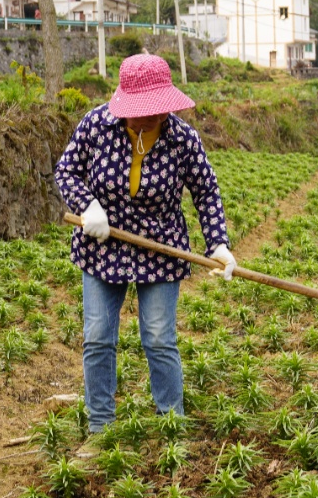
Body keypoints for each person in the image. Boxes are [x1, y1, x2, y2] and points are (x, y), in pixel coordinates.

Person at [54, 54, 236, 435]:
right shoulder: (96, 126)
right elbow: (66, 170)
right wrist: (88, 206)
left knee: (157, 337)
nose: (150, 117)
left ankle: (171, 424)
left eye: (157, 110)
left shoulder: (182, 138)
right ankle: (100, 427)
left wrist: (217, 243)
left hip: (161, 248)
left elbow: (205, 190)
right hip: (103, 246)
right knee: (99, 338)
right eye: (141, 110)